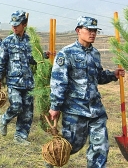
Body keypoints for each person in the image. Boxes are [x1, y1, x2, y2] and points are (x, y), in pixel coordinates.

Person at [47, 16, 125, 168]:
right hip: (75, 110)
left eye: (95, 30)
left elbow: (98, 76)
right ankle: (51, 160)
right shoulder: (66, 53)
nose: (93, 33)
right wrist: (55, 106)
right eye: (89, 29)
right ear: (78, 30)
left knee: (100, 148)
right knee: (71, 146)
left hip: (96, 110)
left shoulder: (95, 53)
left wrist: (113, 74)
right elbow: (58, 82)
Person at [0, 10, 45, 145]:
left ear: (24, 24)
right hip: (14, 82)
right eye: (12, 25)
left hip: (28, 83)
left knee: (27, 112)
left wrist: (44, 55)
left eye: (17, 24)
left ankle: (20, 136)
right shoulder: (8, 41)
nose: (14, 27)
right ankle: (4, 119)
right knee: (16, 106)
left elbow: (33, 59)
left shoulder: (30, 41)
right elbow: (0, 60)